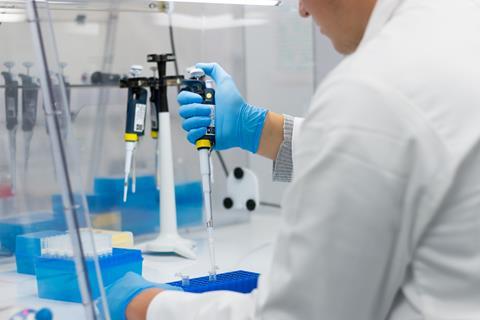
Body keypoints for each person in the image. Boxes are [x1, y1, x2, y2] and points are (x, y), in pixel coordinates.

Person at [102, 0, 480, 319]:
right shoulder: (456, 29)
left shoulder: (376, 85)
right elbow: (399, 156)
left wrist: (150, 306)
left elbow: (298, 314)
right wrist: (257, 128)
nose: (300, 10)